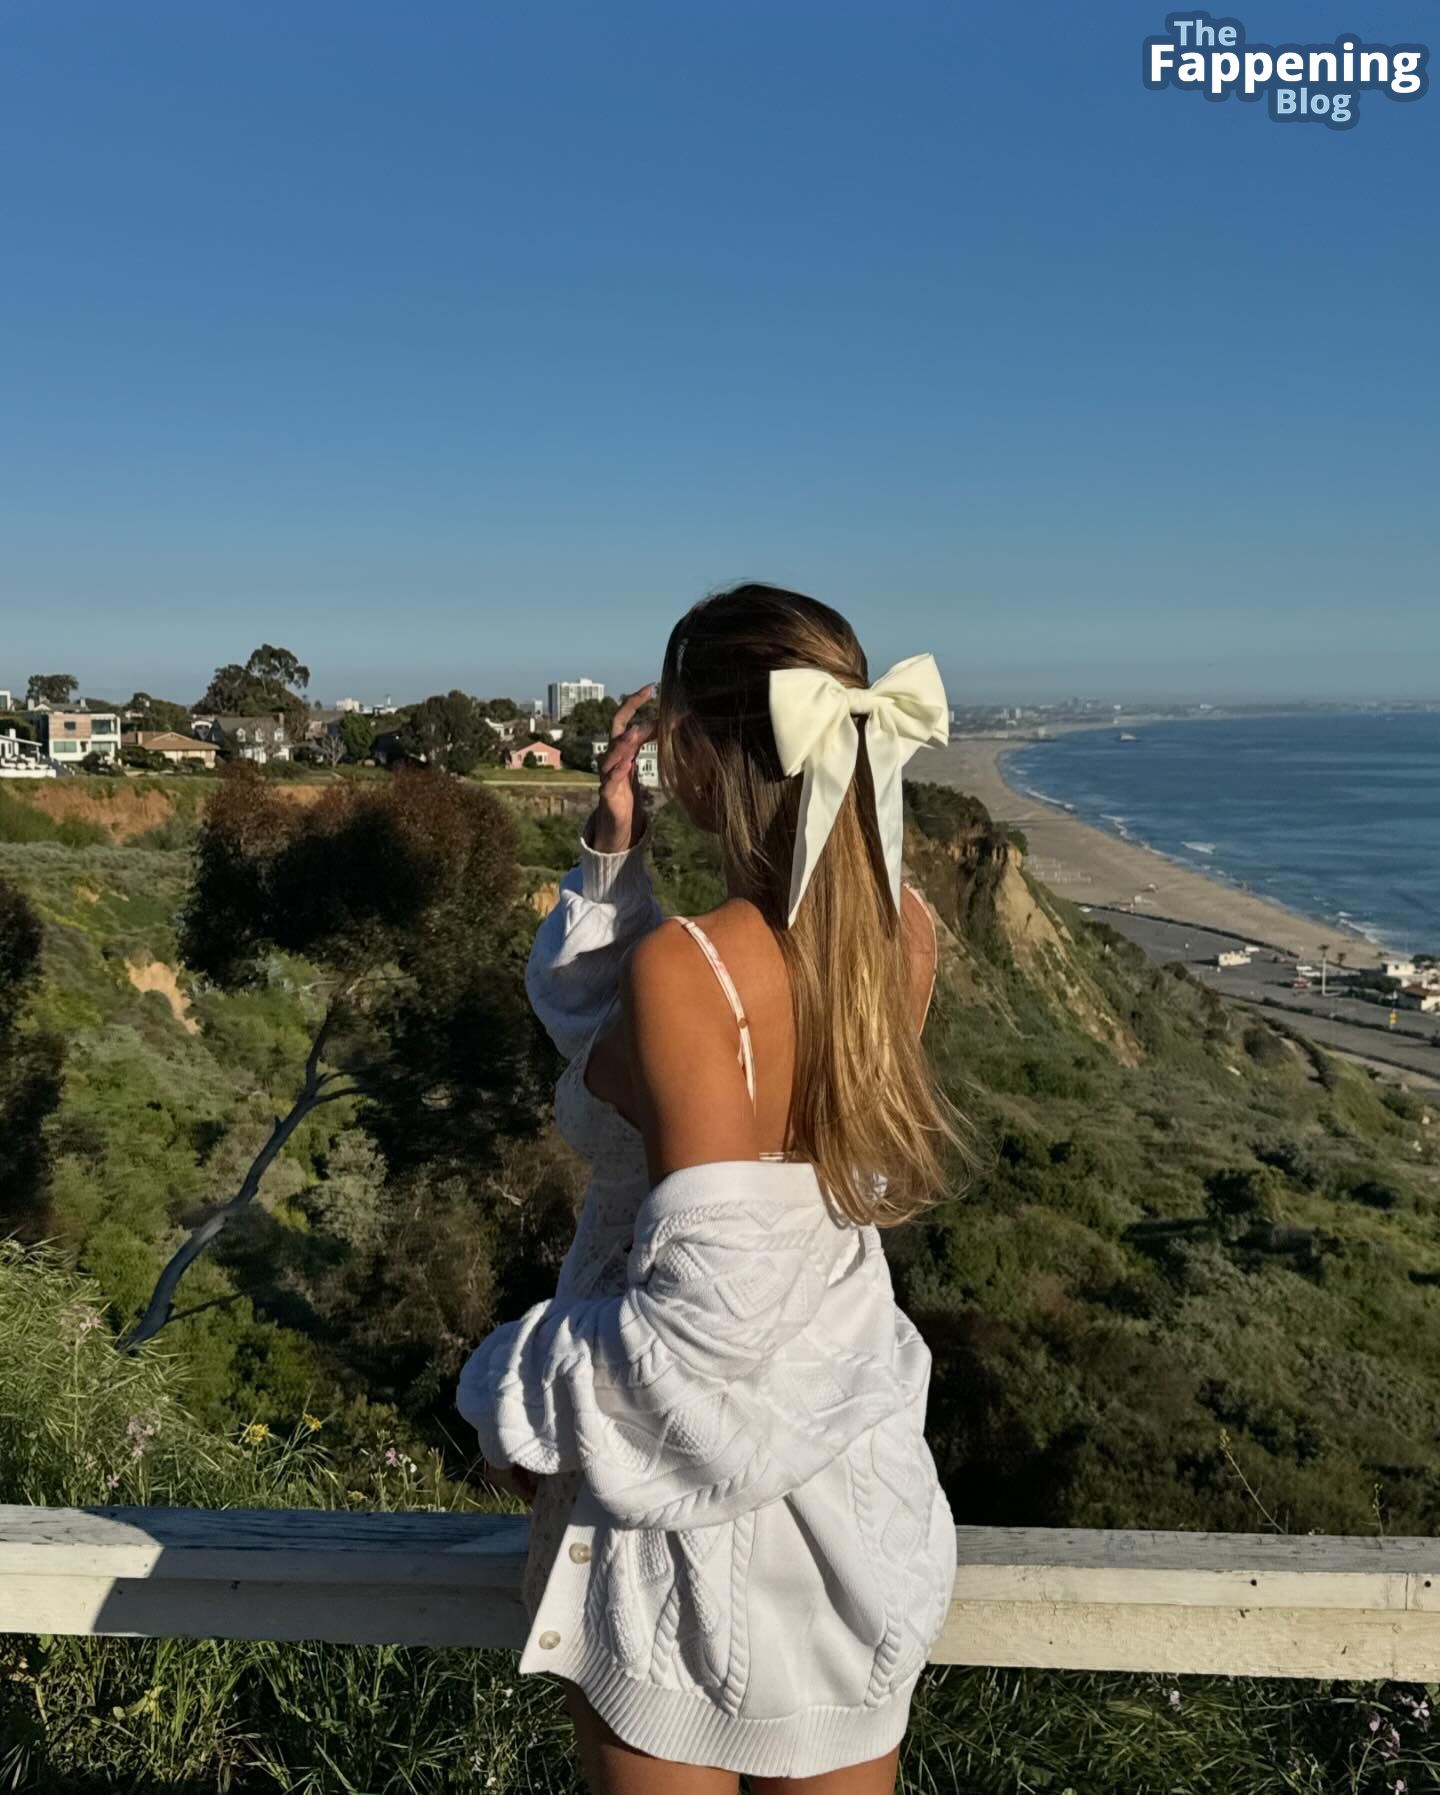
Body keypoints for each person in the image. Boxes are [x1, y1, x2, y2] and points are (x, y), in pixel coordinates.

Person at [458, 583, 965, 1794]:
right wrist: (613, 857)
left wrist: (505, 1390)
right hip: (851, 1499)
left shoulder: (690, 966)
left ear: (686, 753)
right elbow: (631, 1062)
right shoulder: (903, 934)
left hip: (674, 1530)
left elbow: (705, 1327)